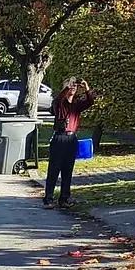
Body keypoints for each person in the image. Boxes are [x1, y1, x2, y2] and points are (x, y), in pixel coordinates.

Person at [43, 77, 96, 209]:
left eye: (74, 86)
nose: (73, 88)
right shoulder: (60, 102)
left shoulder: (76, 105)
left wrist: (86, 88)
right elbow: (59, 99)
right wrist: (67, 86)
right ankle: (48, 198)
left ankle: (64, 198)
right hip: (59, 137)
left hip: (71, 139)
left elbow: (90, 101)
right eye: (70, 86)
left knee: (68, 170)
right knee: (54, 169)